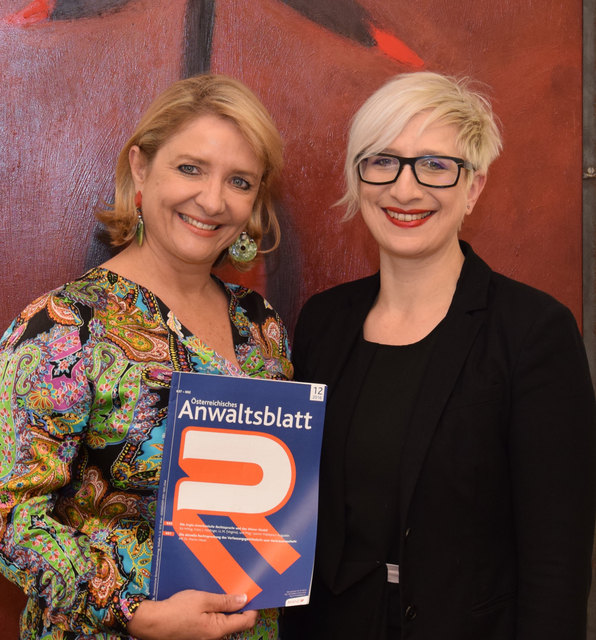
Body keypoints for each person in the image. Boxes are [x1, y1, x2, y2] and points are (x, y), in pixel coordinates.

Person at [281, 71, 596, 639]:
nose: (405, 190)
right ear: (360, 177)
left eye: (435, 164)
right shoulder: (323, 322)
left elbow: (559, 558)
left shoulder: (533, 332)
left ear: (473, 187)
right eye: (383, 161)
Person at [0, 74, 292, 640]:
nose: (212, 200)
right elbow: (9, 517)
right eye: (190, 168)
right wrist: (133, 612)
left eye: (239, 180)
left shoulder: (262, 324)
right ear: (140, 168)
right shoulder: (63, 328)